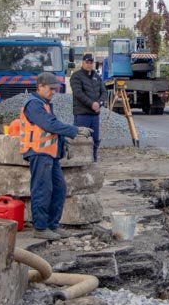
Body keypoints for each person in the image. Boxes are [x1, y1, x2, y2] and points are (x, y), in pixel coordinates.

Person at [13, 71, 78, 241]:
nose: (53, 92)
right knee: (42, 190)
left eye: (55, 89)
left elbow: (52, 126)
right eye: (51, 89)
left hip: (49, 154)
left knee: (59, 189)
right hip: (38, 153)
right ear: (40, 86)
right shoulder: (33, 104)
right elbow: (49, 124)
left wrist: (63, 141)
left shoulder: (45, 103)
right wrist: (74, 131)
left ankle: (52, 225)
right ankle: (40, 228)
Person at [69, 52, 105, 161]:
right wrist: (91, 104)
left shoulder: (97, 77)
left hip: (94, 115)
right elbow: (78, 93)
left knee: (94, 140)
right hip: (82, 114)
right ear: (83, 63)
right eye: (87, 62)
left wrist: (99, 103)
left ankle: (93, 161)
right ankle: (78, 161)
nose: (89, 64)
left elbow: (104, 92)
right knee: (80, 140)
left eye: (91, 62)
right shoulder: (76, 76)